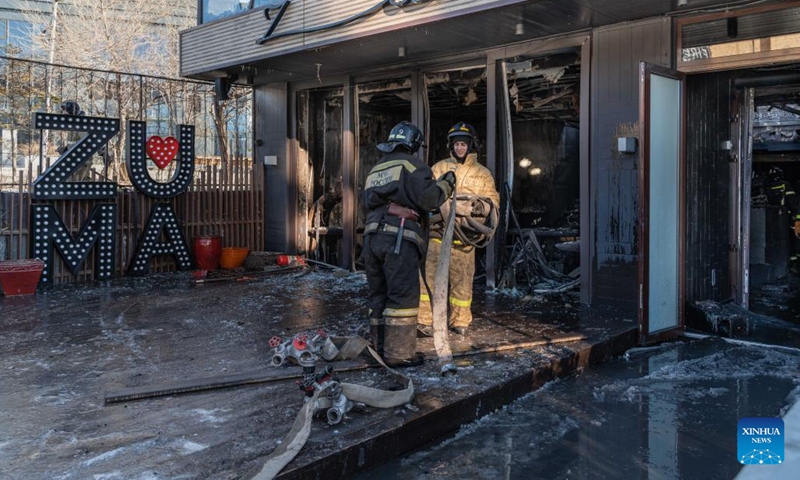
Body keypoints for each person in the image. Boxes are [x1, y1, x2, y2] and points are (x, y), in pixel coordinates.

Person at [362, 121, 455, 366]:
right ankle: (399, 354)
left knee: (378, 294)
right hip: (398, 239)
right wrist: (446, 184)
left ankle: (379, 347)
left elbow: (368, 202)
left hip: (372, 238)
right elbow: (428, 199)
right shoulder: (412, 165)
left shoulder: (376, 168)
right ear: (413, 144)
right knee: (402, 296)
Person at [418, 122, 500, 337]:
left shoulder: (482, 173)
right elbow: (427, 196)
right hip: (438, 235)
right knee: (429, 278)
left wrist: (478, 208)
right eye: (456, 144)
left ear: (470, 145)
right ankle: (425, 319)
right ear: (451, 146)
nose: (460, 148)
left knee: (462, 281)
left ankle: (460, 321)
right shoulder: (439, 168)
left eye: (463, 144)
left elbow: (493, 202)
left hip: (464, 238)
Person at [763, 166, 800, 272]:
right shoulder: (785, 185)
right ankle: (793, 265)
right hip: (784, 219)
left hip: (766, 219)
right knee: (791, 241)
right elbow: (793, 203)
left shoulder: (763, 186)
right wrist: (797, 220)